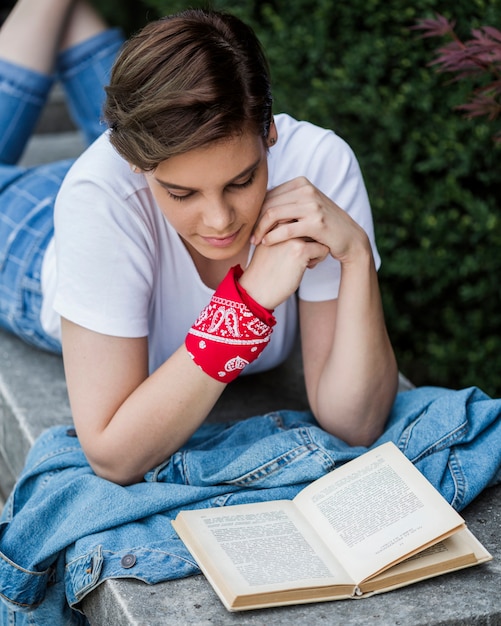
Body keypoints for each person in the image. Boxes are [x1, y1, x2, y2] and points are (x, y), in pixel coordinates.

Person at [0, 0, 398, 487]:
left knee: (143, 111)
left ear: (269, 133)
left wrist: (356, 255)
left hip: (130, 194)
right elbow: (112, 455)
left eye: (242, 180)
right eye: (183, 193)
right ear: (134, 163)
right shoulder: (98, 196)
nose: (219, 221)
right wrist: (245, 305)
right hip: (42, 242)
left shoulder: (317, 168)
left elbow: (354, 423)